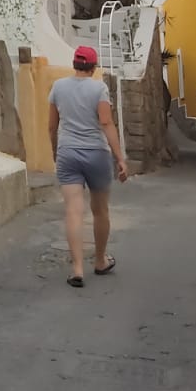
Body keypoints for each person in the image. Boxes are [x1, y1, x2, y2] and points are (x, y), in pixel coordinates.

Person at [49, 45, 129, 288]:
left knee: (73, 210)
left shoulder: (58, 87)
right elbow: (106, 122)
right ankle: (101, 260)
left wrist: (56, 151)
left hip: (68, 153)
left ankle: (77, 269)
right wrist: (120, 158)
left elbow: (52, 126)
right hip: (96, 153)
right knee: (100, 210)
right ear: (93, 67)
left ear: (75, 64)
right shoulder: (99, 88)